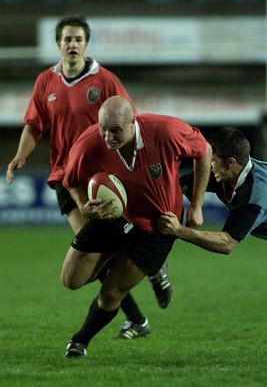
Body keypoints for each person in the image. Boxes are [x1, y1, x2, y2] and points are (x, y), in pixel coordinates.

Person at [5, 15, 173, 340]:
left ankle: (145, 286)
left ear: (86, 43)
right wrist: (22, 154)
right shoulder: (45, 82)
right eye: (67, 38)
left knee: (98, 249)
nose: (73, 44)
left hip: (101, 175)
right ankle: (144, 297)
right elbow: (35, 124)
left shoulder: (105, 80)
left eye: (78, 39)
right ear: (58, 43)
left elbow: (129, 120)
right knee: (91, 250)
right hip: (65, 177)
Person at [61, 95, 212, 357]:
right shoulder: (88, 143)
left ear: (133, 123)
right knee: (71, 281)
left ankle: (80, 342)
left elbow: (204, 150)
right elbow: (71, 180)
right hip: (110, 219)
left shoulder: (165, 131)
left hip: (157, 227)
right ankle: (151, 267)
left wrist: (196, 204)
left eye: (116, 130)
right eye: (103, 129)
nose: (108, 137)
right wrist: (86, 205)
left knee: (112, 293)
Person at [158, 126, 267, 253]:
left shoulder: (256, 193)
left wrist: (178, 230)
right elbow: (175, 186)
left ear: (230, 162)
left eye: (212, 160)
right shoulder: (225, 171)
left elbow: (227, 243)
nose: (208, 164)